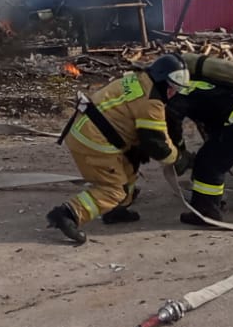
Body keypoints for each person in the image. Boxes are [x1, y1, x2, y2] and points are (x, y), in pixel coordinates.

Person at [45, 55, 185, 245]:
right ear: (162, 80)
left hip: (85, 128)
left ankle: (117, 210)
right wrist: (178, 157)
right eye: (172, 88)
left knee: (129, 167)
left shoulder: (137, 78)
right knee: (113, 189)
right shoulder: (151, 101)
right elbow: (157, 143)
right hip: (94, 142)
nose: (173, 94)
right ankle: (68, 214)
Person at [165, 69, 233, 227]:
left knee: (208, 163)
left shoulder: (177, 97)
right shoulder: (201, 81)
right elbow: (212, 120)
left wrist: (179, 152)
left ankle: (206, 211)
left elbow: (173, 129)